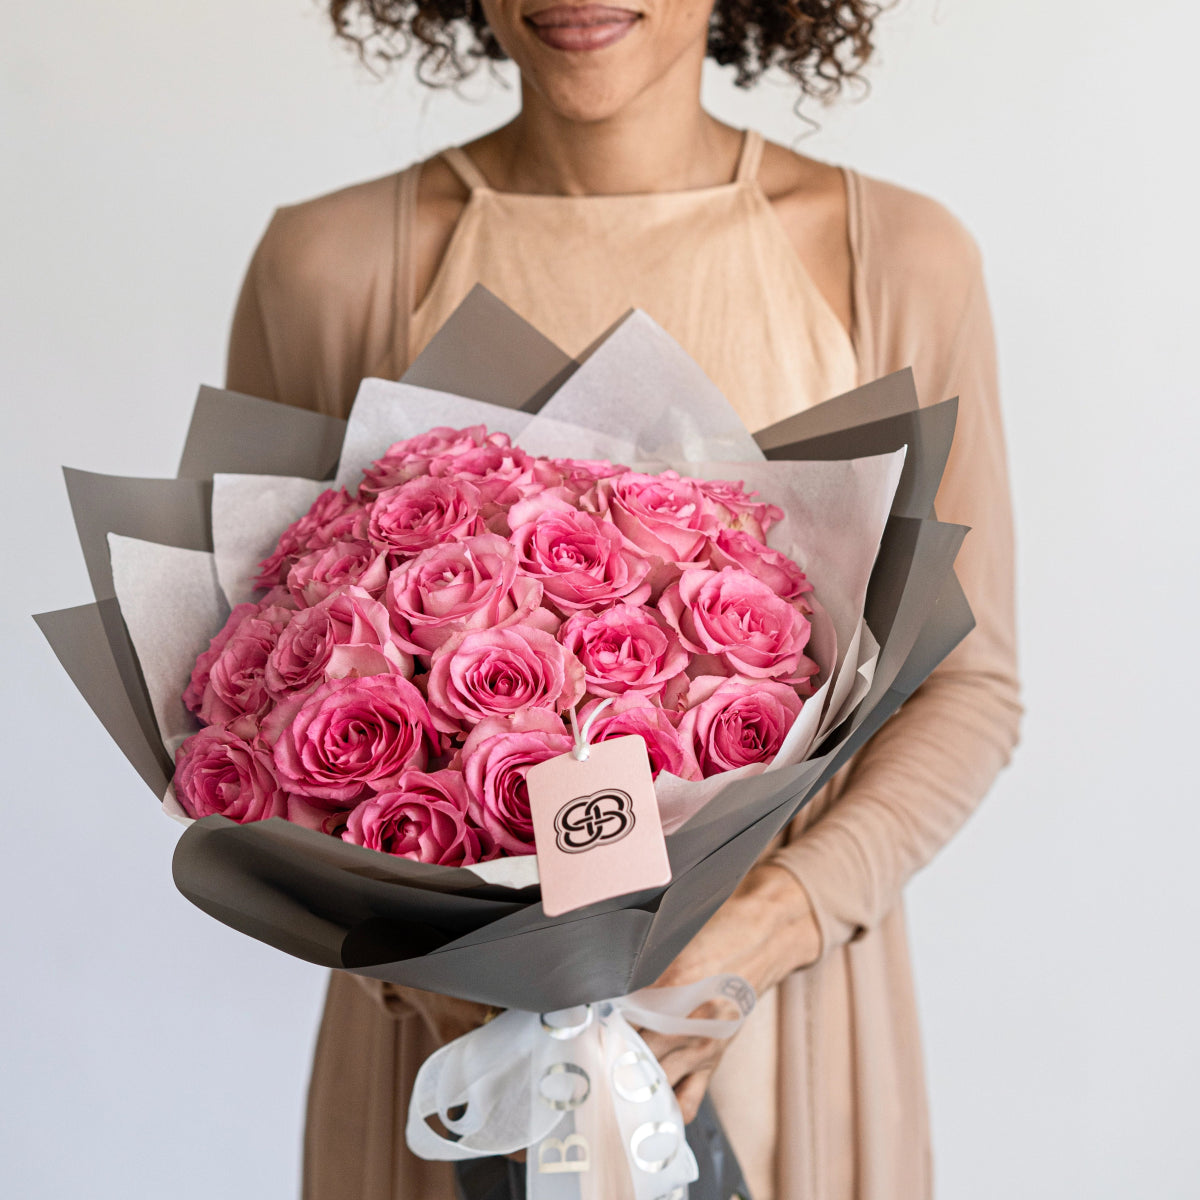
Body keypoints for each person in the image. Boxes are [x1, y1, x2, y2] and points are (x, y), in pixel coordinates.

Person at [225, 1, 1022, 1197]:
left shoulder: (895, 260)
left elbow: (969, 684)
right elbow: (244, 704)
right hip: (438, 1059)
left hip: (778, 1037)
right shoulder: (329, 267)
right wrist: (445, 985)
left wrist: (760, 936)